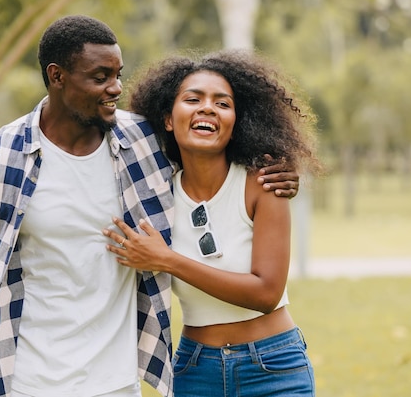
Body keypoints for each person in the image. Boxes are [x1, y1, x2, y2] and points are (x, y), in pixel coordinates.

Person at [0, 15, 300, 397]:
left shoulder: (144, 143)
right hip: (29, 382)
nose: (116, 88)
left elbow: (208, 149)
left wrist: (279, 170)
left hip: (118, 384)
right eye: (100, 77)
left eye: (118, 75)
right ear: (57, 76)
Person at [103, 49, 320, 396]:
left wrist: (167, 260)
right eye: (193, 99)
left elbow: (266, 293)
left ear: (236, 124)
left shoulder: (264, 183)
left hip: (274, 368)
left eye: (222, 103)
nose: (207, 108)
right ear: (169, 120)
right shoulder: (155, 197)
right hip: (195, 370)